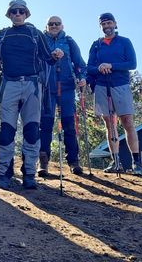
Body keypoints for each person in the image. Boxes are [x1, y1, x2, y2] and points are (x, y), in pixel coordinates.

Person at [0, 0, 63, 190]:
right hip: (9, 84)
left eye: (21, 11)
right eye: (14, 11)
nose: (18, 14)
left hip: (32, 85)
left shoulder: (36, 34)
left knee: (31, 131)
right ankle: (4, 173)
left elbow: (48, 59)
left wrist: (56, 55)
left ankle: (29, 173)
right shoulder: (2, 35)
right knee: (6, 132)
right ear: (9, 14)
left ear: (26, 14)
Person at [87, 12, 142, 175]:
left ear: (115, 24)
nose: (107, 26)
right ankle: (116, 162)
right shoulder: (96, 45)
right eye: (103, 24)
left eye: (109, 23)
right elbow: (89, 67)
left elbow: (132, 63)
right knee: (109, 123)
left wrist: (110, 65)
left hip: (121, 85)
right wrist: (99, 68)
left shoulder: (124, 42)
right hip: (101, 86)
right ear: (101, 27)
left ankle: (136, 163)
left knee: (127, 122)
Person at [38, 16, 87, 176]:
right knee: (45, 125)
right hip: (47, 88)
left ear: (62, 25)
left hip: (66, 87)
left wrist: (82, 78)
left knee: (69, 125)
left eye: (56, 24)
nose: (54, 26)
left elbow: (80, 64)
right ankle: (43, 162)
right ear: (46, 26)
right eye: (50, 24)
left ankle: (73, 161)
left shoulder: (69, 41)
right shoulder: (41, 40)